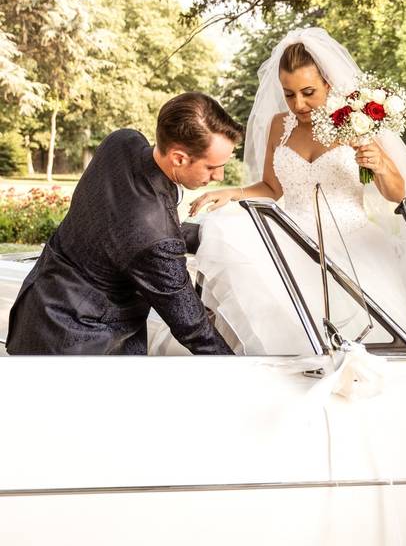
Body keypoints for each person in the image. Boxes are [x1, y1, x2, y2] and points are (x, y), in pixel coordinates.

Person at [189, 27, 406, 354]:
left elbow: (395, 193)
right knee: (288, 337)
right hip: (292, 239)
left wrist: (379, 164)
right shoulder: (280, 126)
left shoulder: (354, 120)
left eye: (308, 91)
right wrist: (233, 193)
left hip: (351, 246)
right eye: (289, 94)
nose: (298, 104)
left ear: (329, 83)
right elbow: (271, 188)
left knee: (365, 344)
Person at [5, 92, 240, 356]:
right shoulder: (153, 235)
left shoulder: (122, 142)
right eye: (212, 167)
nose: (219, 176)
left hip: (38, 305)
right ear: (179, 158)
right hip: (80, 344)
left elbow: (121, 229)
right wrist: (246, 375)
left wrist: (215, 237)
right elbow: (193, 327)